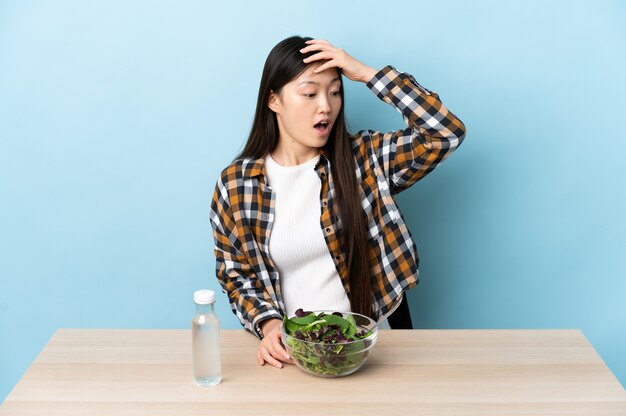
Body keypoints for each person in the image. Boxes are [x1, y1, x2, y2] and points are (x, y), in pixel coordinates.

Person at [209, 36, 466, 369]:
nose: (325, 106)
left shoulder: (365, 159)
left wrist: (368, 74)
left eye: (335, 92)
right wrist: (268, 325)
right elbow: (237, 275)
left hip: (378, 348)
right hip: (296, 354)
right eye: (310, 93)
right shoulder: (236, 185)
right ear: (274, 100)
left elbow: (445, 133)